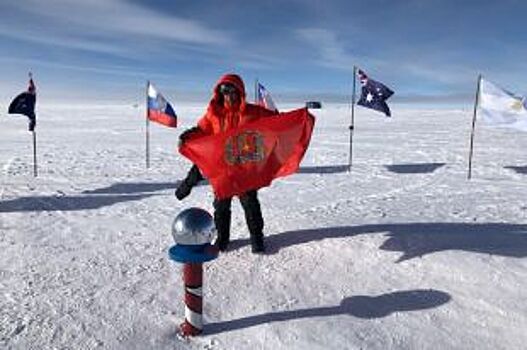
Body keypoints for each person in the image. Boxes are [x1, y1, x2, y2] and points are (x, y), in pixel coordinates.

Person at [176, 73, 277, 253]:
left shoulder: (252, 112)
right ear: (219, 92)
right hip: (223, 169)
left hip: (244, 168)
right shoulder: (214, 113)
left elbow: (275, 121)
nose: (228, 95)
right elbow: (202, 130)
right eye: (224, 91)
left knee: (251, 205)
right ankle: (222, 240)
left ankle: (257, 239)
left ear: (240, 92)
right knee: (221, 207)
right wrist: (188, 135)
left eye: (232, 90)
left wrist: (292, 119)